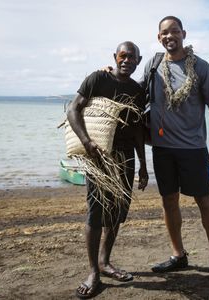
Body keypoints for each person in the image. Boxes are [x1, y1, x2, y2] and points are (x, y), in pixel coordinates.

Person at [140, 16, 209, 285]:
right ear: (159, 37)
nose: (170, 36)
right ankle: (178, 255)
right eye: (165, 33)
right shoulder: (153, 65)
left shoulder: (200, 67)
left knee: (204, 201)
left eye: (175, 31)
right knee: (169, 201)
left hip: (193, 148)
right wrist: (109, 76)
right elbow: (135, 93)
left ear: (184, 34)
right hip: (162, 148)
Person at [67, 41, 148, 299]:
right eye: (122, 56)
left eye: (132, 57)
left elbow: (137, 130)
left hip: (124, 160)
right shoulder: (97, 79)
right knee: (96, 210)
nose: (126, 60)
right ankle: (93, 272)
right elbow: (73, 109)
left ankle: (104, 261)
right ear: (115, 57)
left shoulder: (137, 90)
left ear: (138, 60)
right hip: (99, 157)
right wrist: (87, 142)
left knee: (117, 213)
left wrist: (144, 166)